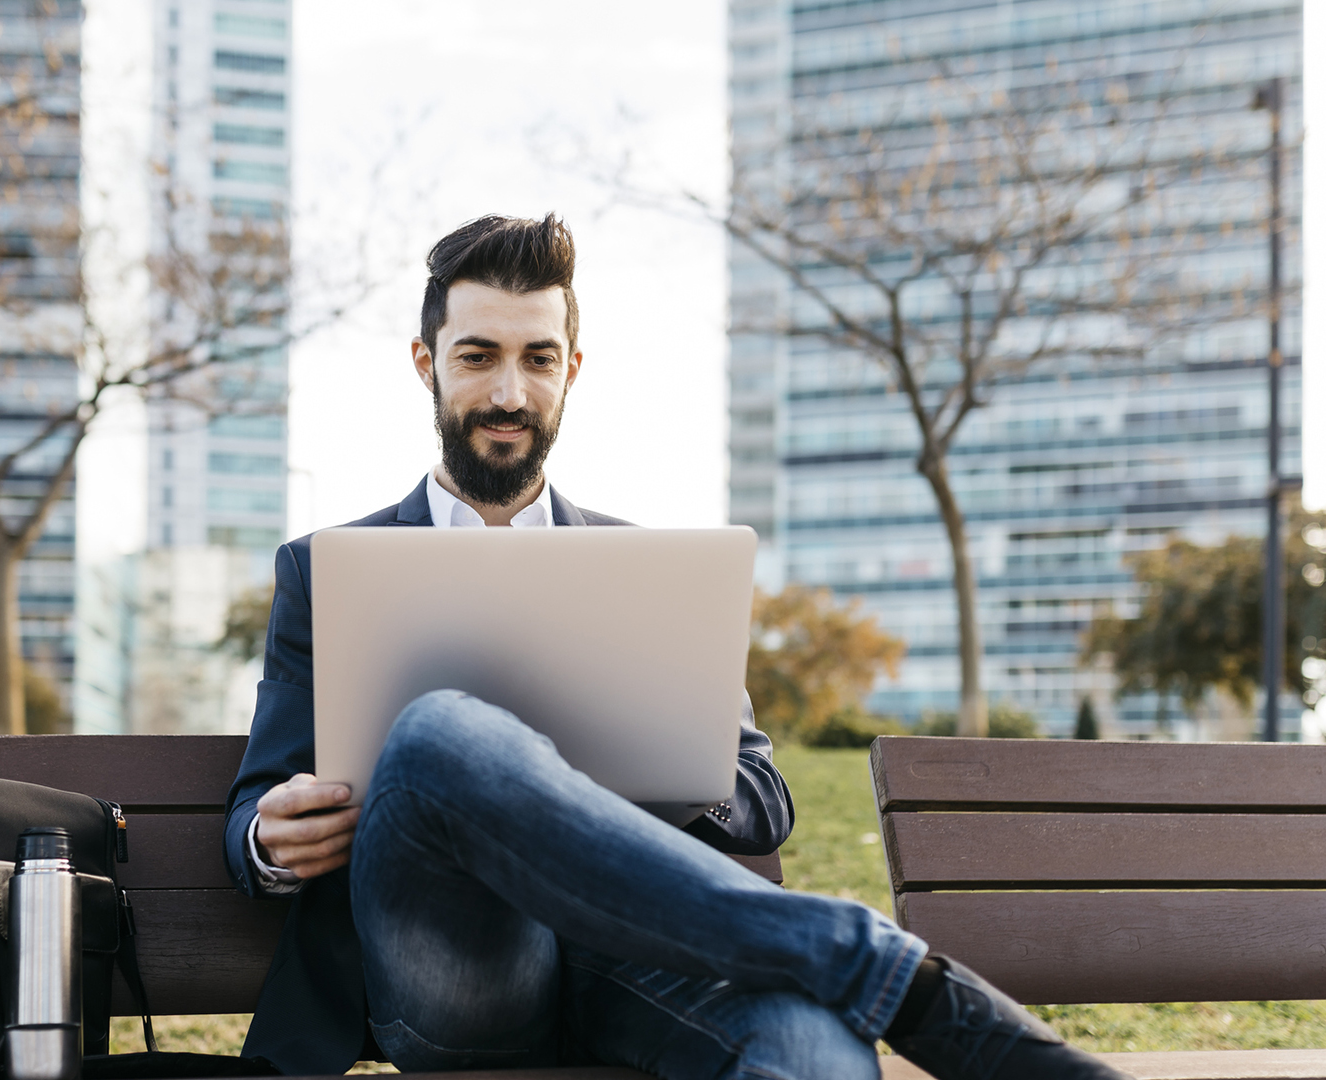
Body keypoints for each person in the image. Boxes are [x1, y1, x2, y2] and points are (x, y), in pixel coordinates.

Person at [223, 214, 1128, 1080]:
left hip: (641, 959)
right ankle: (858, 958)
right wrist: (269, 836)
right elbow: (254, 808)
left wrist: (652, 766)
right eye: (477, 357)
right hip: (458, 971)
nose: (508, 393)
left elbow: (762, 799)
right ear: (427, 364)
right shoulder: (325, 569)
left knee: (816, 1055)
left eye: (538, 359)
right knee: (439, 738)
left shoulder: (648, 569)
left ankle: (849, 970)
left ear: (572, 369)